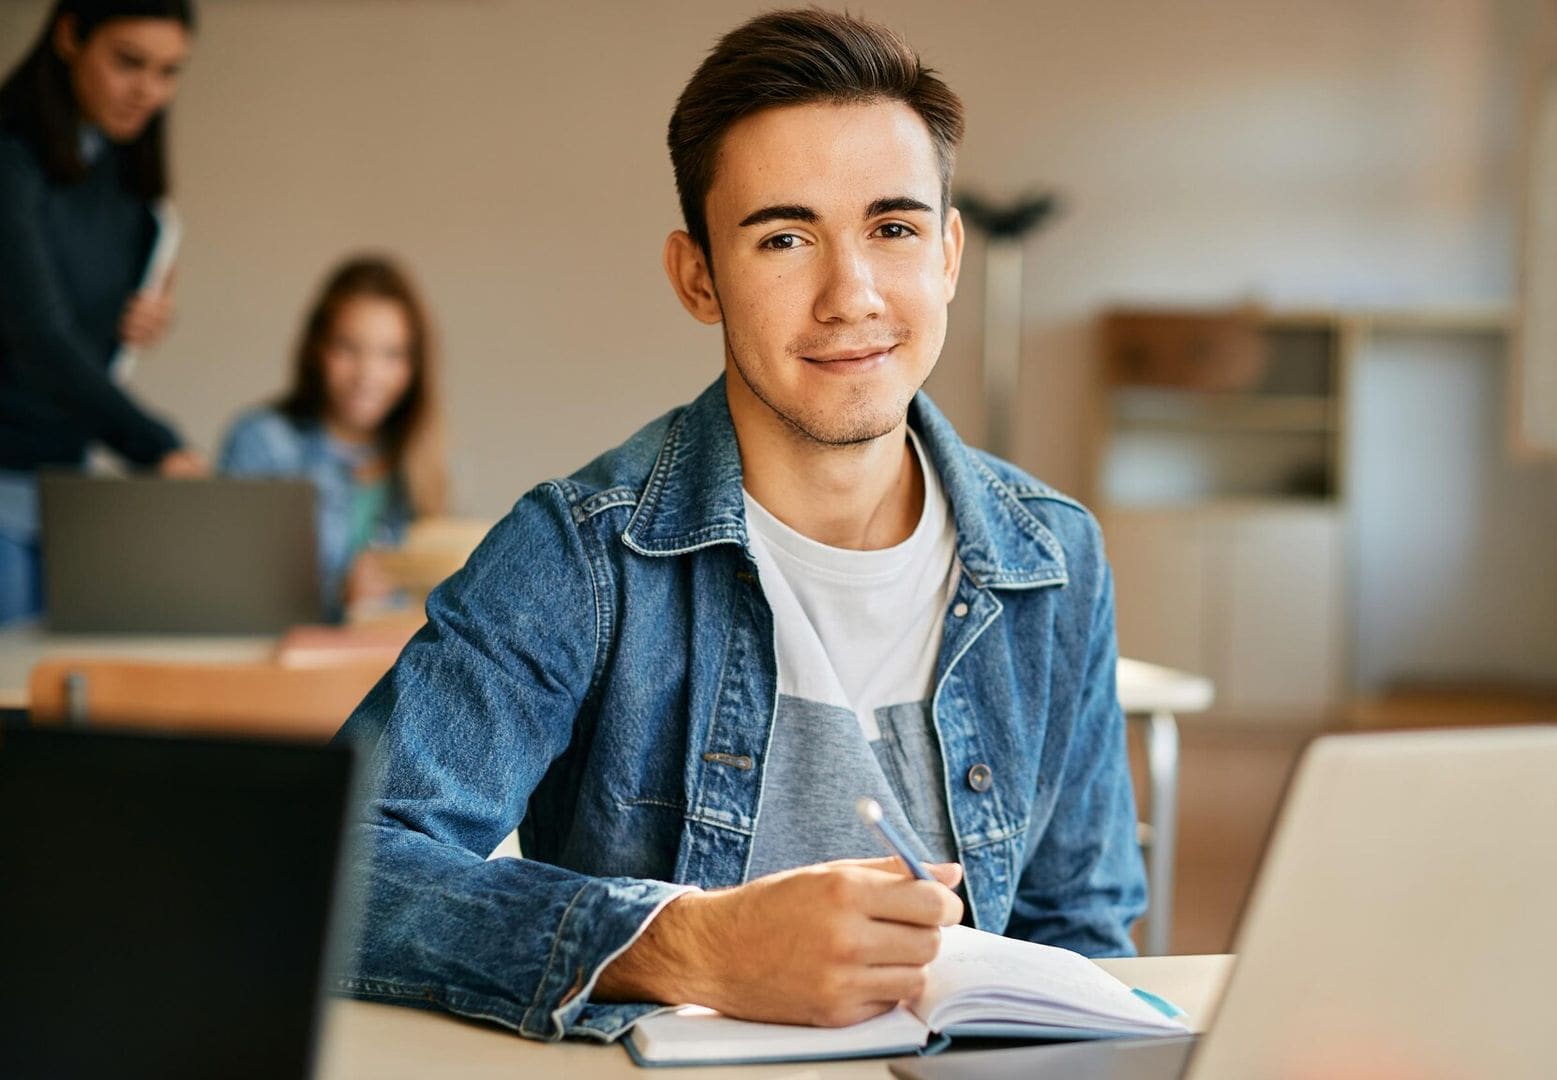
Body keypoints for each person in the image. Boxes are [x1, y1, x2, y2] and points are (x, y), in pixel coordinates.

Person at [337, 8, 1144, 1044]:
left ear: (948, 255)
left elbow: (1080, 937)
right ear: (698, 277)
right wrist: (689, 945)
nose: (850, 295)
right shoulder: (581, 553)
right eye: (785, 237)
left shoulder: (1054, 558)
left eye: (893, 229)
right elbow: (342, 862)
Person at [0, 0, 207, 623]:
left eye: (169, 72)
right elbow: (39, 338)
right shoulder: (9, 161)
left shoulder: (122, 184)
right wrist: (158, 446)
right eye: (128, 62)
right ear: (69, 36)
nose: (148, 91)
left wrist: (144, 314)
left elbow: (80, 331)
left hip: (64, 494)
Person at [219, 256, 448, 621]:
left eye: (392, 354)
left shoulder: (419, 461)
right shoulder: (262, 442)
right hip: (288, 671)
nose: (368, 375)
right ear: (317, 349)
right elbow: (228, 594)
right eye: (348, 348)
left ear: (414, 366)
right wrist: (338, 599)